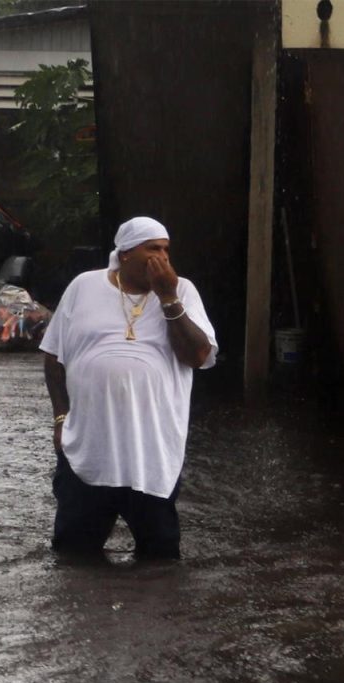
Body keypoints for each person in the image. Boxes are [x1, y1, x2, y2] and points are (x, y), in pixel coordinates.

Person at [39, 216, 218, 559]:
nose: (162, 258)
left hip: (150, 450)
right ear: (125, 255)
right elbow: (54, 356)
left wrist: (168, 298)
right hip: (88, 446)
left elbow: (197, 355)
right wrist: (60, 417)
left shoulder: (182, 291)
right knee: (72, 555)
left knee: (160, 558)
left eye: (166, 250)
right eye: (153, 249)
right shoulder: (84, 286)